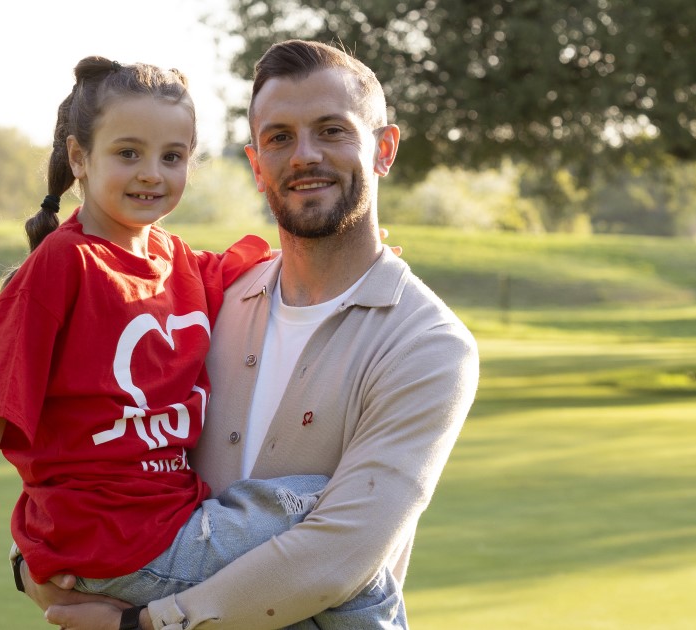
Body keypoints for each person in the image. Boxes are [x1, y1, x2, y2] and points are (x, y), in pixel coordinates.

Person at [0, 55, 407, 630]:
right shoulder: (64, 265)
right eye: (128, 153)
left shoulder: (175, 261)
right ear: (79, 157)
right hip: (120, 542)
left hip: (169, 525)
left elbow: (253, 267)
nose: (152, 173)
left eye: (172, 157)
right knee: (338, 533)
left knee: (314, 585)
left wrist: (357, 259)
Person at [44, 40, 480, 630]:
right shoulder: (209, 301)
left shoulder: (427, 345)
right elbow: (101, 446)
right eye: (279, 137)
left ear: (383, 149)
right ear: (255, 164)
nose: (304, 156)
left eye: (331, 131)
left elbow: (338, 556)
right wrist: (37, 560)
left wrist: (143, 625)